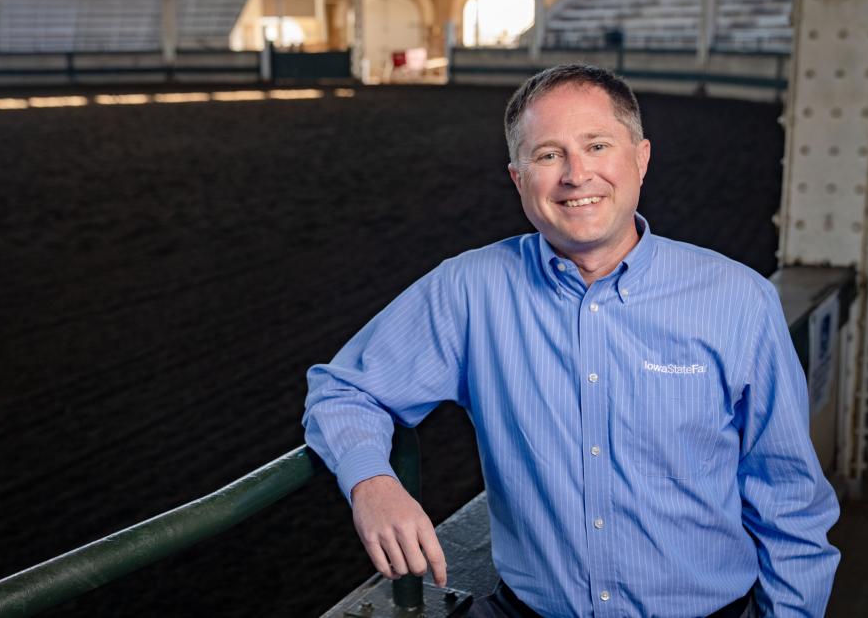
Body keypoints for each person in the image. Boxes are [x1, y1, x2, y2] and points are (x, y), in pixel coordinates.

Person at [303, 64, 840, 617]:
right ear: (519, 179)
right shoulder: (469, 290)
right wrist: (372, 481)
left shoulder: (739, 301)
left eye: (597, 145)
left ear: (641, 158)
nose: (576, 175)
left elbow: (789, 501)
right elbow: (342, 389)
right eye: (548, 155)